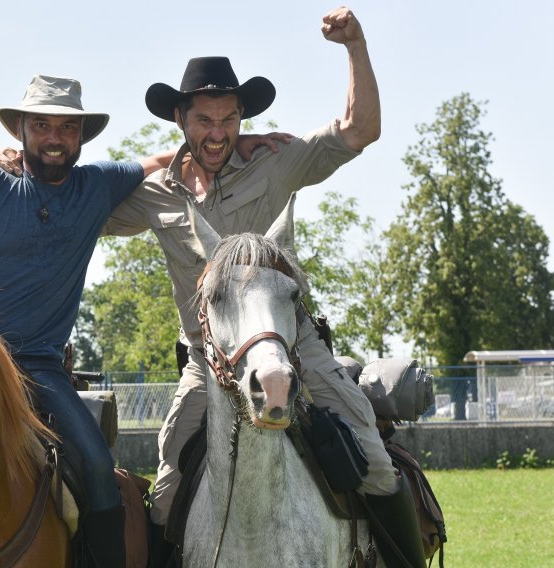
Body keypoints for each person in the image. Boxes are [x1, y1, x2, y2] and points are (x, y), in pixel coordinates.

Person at [0, 74, 282, 568]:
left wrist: (235, 144)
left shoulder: (96, 186)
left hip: (39, 368)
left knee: (94, 465)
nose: (53, 137)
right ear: (20, 129)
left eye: (66, 128)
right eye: (42, 125)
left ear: (80, 137)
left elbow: (162, 163)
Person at [100, 8, 426, 568]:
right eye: (204, 119)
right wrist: (22, 168)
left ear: (242, 119)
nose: (218, 132)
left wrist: (356, 47)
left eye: (228, 119)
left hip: (296, 348)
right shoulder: (154, 193)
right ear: (180, 119)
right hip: (206, 362)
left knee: (374, 460)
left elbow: (360, 129)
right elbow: (76, 204)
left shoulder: (275, 163)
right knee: (166, 489)